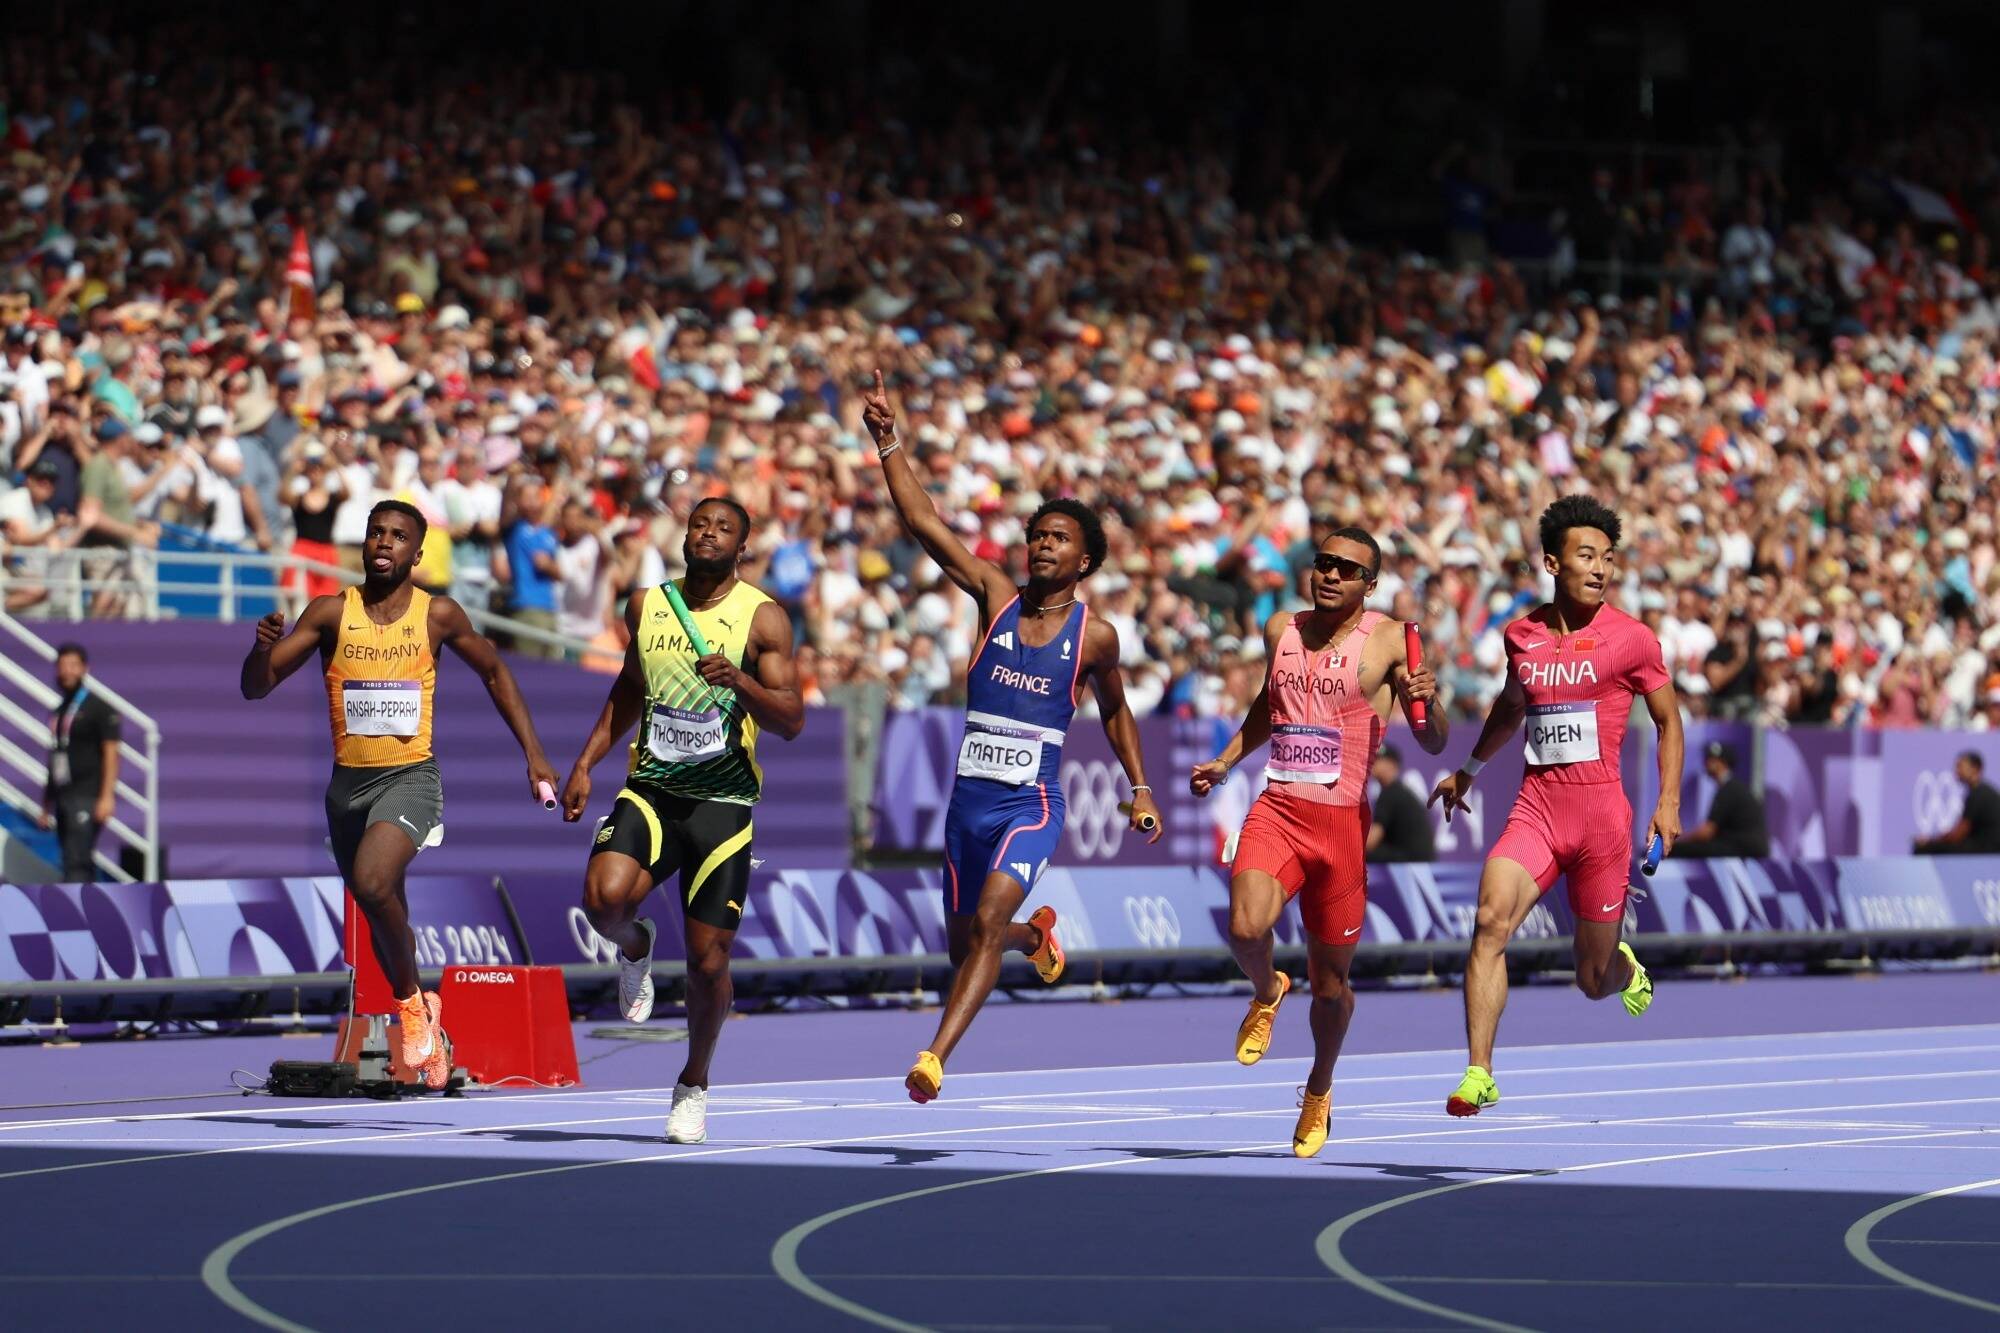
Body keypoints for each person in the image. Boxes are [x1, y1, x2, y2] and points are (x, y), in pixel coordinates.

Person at [863, 370, 1163, 1105]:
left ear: (1084, 559)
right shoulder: (995, 597)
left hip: (1029, 803)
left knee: (986, 924)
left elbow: (1118, 711)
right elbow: (926, 523)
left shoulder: (1097, 638)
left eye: (1057, 538)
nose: (1041, 546)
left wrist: (1140, 788)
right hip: (967, 804)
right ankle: (1038, 937)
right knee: (968, 943)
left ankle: (934, 1056)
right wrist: (887, 442)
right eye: (1035, 536)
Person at [240, 500, 558, 1089]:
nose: (384, 543)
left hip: (410, 777)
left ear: (417, 553)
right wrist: (261, 649)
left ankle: (411, 1011)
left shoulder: (437, 615)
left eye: (398, 536)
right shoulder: (332, 613)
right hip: (346, 789)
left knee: (373, 881)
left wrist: (533, 751)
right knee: (384, 910)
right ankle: (421, 1012)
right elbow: (256, 689)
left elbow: (493, 670)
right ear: (364, 546)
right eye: (376, 533)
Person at [1188, 529, 1445, 1157]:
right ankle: (1267, 990)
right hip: (1278, 809)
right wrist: (1226, 760)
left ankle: (1319, 1087)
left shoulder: (1388, 640)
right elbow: (1267, 705)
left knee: (1331, 987)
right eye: (1323, 563)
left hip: (1342, 828)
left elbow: (1433, 740)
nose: (1330, 574)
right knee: (1247, 928)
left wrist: (1429, 705)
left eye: (1347, 569)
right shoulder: (1281, 628)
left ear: (1369, 584)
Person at [1430, 495, 1684, 1118]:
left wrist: (1668, 801)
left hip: (1602, 825)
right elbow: (1511, 710)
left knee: (1591, 981)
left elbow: (1669, 721)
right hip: (1537, 812)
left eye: (1608, 558)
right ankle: (1479, 1072)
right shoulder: (1523, 636)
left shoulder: (1632, 639)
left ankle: (1624, 969)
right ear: (1553, 562)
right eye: (1586, 556)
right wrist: (1467, 772)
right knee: (1490, 921)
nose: (1600, 568)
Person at [561, 496, 804, 1144]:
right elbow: (629, 688)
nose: (708, 533)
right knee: (602, 901)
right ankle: (636, 945)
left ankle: (694, 1080)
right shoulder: (648, 604)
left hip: (722, 804)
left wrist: (740, 683)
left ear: (741, 547)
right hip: (653, 787)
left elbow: (792, 717)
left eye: (724, 527)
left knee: (707, 962)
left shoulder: (762, 618)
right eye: (700, 523)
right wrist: (586, 761)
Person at [38, 644, 121, 881]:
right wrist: (46, 802)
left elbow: (111, 752)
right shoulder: (60, 709)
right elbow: (56, 756)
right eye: (62, 666)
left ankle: (79, 914)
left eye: (73, 665)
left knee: (78, 858)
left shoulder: (99, 708)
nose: (67, 672)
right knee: (69, 857)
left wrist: (107, 796)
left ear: (85, 668)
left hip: (87, 794)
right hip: (64, 794)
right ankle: (80, 911)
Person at [1672, 741, 1769, 858]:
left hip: (1744, 848)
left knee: (1675, 849)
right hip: (1744, 846)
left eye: (1712, 759)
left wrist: (1677, 841)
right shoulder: (1732, 787)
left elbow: (1707, 832)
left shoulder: (1729, 789)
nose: (1706, 762)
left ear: (1723, 763)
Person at [1913, 751, 2000, 855]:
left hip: (1985, 849)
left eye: (1960, 766)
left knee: (1922, 849)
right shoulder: (1983, 790)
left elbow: (1959, 834)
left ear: (1975, 768)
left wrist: (1930, 841)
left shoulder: (1978, 794)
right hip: (1987, 846)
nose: (1957, 771)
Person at [1366, 745, 1436, 863]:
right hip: (1420, 858)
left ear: (1392, 765)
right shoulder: (1399, 791)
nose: (1373, 762)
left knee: (1355, 855)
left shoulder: (1390, 793)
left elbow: (1371, 842)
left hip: (1411, 860)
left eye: (1378, 759)